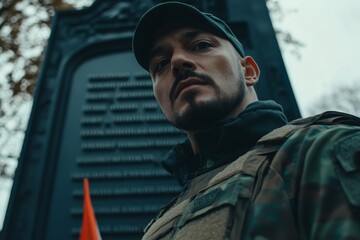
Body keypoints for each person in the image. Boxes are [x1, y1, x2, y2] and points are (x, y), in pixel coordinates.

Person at [132, 2, 360, 239]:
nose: (177, 61)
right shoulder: (160, 224)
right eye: (160, 64)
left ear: (248, 71)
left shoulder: (324, 150)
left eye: (201, 45)